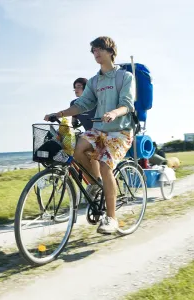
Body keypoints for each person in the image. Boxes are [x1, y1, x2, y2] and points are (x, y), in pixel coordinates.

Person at [44, 36, 135, 234]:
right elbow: (82, 104)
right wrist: (58, 114)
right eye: (93, 51)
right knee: (77, 150)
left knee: (105, 165)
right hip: (100, 130)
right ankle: (96, 184)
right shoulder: (94, 81)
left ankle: (111, 219)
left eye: (99, 49)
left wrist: (113, 113)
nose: (96, 54)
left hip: (120, 131)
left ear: (110, 51)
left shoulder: (125, 77)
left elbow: (127, 105)